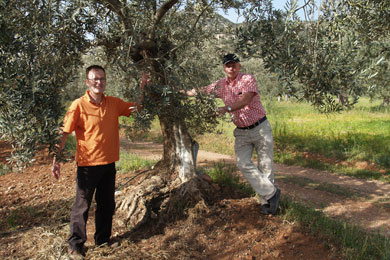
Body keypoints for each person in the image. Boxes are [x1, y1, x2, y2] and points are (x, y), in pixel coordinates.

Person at [51, 65, 147, 259]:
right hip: (87, 165)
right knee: (82, 206)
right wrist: (56, 159)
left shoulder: (113, 103)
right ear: (87, 81)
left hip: (108, 163)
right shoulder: (77, 105)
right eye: (95, 79)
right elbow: (64, 133)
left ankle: (102, 241)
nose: (99, 82)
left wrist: (142, 87)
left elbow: (136, 107)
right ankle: (75, 246)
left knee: (106, 204)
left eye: (102, 79)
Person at [186, 54, 280, 215]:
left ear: (239, 66)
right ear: (224, 68)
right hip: (241, 132)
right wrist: (177, 92)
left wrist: (226, 109)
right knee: (243, 163)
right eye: (228, 65)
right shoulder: (220, 85)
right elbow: (201, 91)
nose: (231, 68)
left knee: (266, 166)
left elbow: (245, 100)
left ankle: (267, 204)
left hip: (260, 128)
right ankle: (272, 193)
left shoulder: (248, 79)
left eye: (234, 65)